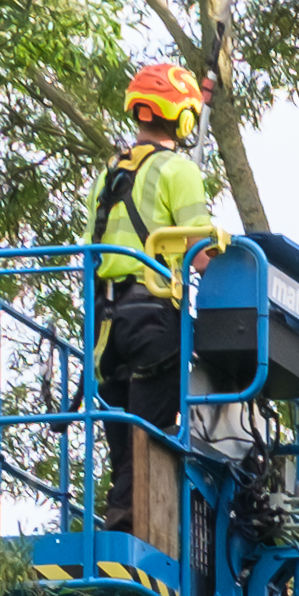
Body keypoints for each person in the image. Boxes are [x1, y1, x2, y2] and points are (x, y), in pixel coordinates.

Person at [89, 59, 229, 549]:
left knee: (123, 441)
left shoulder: (108, 176)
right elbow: (202, 256)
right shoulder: (179, 170)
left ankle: (120, 522)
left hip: (104, 326)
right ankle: (135, 534)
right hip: (152, 320)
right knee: (151, 434)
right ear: (184, 119)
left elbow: (91, 253)